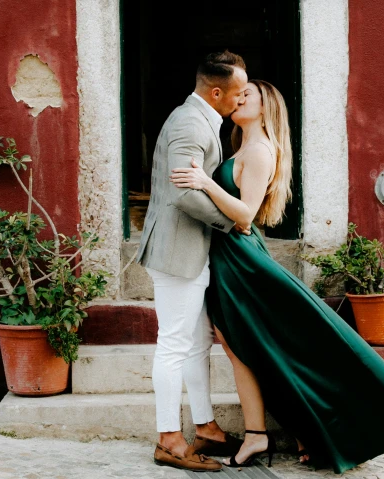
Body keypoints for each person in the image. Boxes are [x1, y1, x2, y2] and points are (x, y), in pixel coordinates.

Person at [170, 79, 384, 474]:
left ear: (266, 108)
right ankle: (264, 432)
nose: (238, 99)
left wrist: (205, 182)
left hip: (241, 260)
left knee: (262, 345)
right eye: (238, 95)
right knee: (238, 345)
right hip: (228, 258)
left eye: (248, 96)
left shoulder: (260, 151)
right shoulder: (242, 147)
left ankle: (284, 430)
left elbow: (244, 215)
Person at [136, 50, 250, 472]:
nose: (241, 100)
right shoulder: (189, 122)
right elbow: (184, 193)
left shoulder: (203, 118)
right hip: (176, 253)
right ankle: (168, 439)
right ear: (216, 91)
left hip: (192, 250)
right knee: (173, 344)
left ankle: (206, 428)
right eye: (238, 93)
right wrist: (232, 221)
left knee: (197, 342)